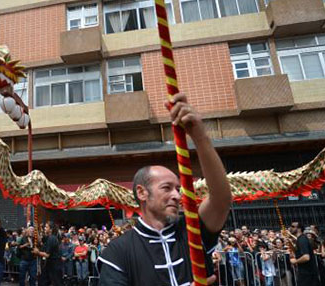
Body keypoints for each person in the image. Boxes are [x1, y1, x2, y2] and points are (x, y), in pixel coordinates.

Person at [98, 92, 231, 286]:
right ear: (142, 193)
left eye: (178, 189)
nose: (177, 196)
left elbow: (221, 200)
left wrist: (199, 136)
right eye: (166, 188)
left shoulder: (193, 230)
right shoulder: (117, 251)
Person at [288, 222, 319, 286]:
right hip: (305, 272)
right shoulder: (300, 239)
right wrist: (289, 243)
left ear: (299, 229)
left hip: (308, 274)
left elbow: (306, 257)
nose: (290, 228)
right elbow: (298, 250)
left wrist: (295, 261)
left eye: (293, 226)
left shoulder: (302, 239)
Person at [34, 222, 62, 286]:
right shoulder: (48, 237)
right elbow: (40, 241)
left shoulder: (52, 239)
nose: (44, 228)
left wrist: (37, 252)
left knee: (56, 283)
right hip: (50, 265)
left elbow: (47, 255)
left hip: (54, 265)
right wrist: (36, 229)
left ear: (51, 229)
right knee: (43, 282)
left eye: (46, 227)